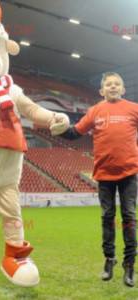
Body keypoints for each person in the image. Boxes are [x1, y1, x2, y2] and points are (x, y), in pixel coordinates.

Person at [51, 72, 137, 287]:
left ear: (123, 89)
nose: (113, 87)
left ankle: (129, 264)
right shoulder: (95, 111)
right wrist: (59, 130)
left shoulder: (134, 109)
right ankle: (109, 259)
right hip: (104, 174)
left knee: (129, 217)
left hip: (129, 173)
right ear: (102, 91)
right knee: (107, 217)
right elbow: (74, 133)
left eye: (117, 84)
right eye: (109, 84)